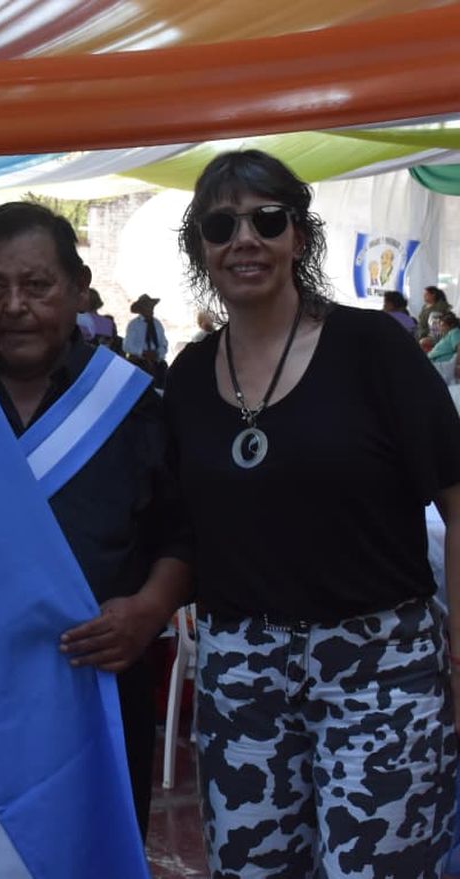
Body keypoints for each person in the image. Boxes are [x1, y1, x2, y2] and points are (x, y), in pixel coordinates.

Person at [167, 149, 460, 877]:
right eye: (221, 223)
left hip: (379, 667)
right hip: (241, 672)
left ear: (299, 235)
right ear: (200, 246)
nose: (246, 238)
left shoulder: (373, 350)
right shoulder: (190, 377)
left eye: (269, 219)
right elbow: (174, 527)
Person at [0, 201, 191, 840]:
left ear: (78, 287)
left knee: (96, 848)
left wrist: (148, 611)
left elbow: (181, 535)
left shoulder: (131, 403)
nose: (15, 306)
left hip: (99, 688)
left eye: (37, 286)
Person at [123, 294, 168, 386]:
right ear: (141, 310)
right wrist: (142, 352)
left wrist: (158, 353)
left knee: (164, 372)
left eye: (151, 307)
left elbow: (164, 343)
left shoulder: (157, 324)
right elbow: (127, 346)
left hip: (156, 361)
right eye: (147, 307)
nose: (150, 309)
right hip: (139, 361)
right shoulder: (134, 324)